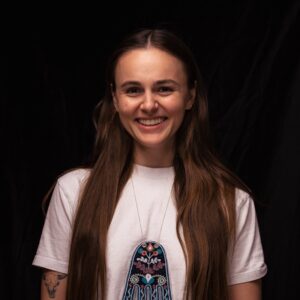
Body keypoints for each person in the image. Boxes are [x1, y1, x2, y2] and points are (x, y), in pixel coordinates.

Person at [32, 27, 267, 300]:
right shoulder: (74, 192)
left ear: (190, 96)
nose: (148, 104)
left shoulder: (231, 203)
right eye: (133, 90)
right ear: (116, 99)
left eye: (164, 88)